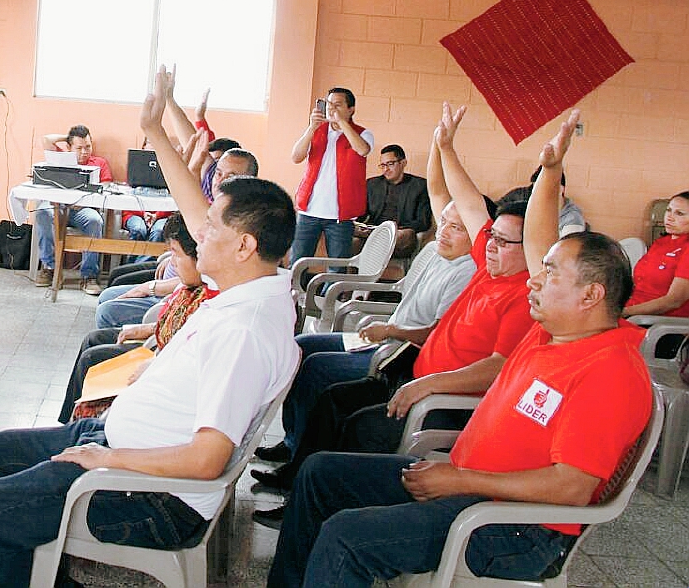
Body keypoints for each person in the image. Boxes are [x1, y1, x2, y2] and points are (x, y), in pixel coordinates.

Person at [267, 110, 653, 588]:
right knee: (320, 473)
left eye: (551, 273)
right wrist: (549, 174)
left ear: (591, 296)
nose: (537, 278)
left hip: (514, 526)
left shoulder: (611, 370)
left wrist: (461, 480)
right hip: (471, 483)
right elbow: (535, 238)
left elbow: (572, 486)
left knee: (347, 536)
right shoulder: (552, 331)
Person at [0, 67, 299, 588]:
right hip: (123, 442)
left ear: (244, 246)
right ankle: (41, 557)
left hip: (148, 494)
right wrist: (155, 131)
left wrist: (104, 459)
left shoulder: (244, 331)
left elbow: (207, 460)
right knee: (0, 449)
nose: (197, 231)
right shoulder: (259, 282)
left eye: (211, 228)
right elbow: (194, 205)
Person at [250, 104, 534, 512]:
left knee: (347, 420)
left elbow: (497, 364)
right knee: (330, 397)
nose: (490, 243)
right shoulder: (486, 265)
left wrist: (423, 378)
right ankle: (302, 483)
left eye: (504, 241)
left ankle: (317, 502)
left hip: (428, 388)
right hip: (406, 371)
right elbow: (444, 195)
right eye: (491, 236)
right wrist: (444, 146)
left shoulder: (518, 291)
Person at [251, 200, 477, 484]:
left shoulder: (466, 272)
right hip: (384, 337)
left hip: (397, 352)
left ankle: (301, 467)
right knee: (302, 347)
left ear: (478, 233)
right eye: (443, 222)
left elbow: (437, 334)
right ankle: (293, 443)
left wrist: (392, 330)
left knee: (316, 369)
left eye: (455, 227)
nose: (442, 231)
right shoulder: (441, 255)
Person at [57, 213, 215, 423]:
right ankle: (67, 421)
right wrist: (147, 328)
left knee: (91, 357)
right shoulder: (187, 286)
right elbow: (172, 323)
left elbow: (182, 345)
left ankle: (80, 423)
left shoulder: (207, 298)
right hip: (157, 341)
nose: (173, 264)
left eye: (176, 255)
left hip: (161, 360)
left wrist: (152, 360)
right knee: (92, 339)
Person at [92, 147, 259, 329]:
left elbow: (197, 279)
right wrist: (172, 257)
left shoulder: (231, 228)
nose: (220, 181)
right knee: (113, 285)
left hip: (175, 292)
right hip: (171, 278)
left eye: (231, 176)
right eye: (218, 173)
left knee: (106, 312)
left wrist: (151, 287)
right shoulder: (214, 206)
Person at [290, 88, 373, 263]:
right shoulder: (317, 130)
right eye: (329, 104)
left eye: (337, 105)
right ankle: (296, 291)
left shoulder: (362, 133)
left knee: (337, 266)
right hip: (309, 211)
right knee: (297, 262)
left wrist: (342, 123)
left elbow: (363, 150)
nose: (331, 109)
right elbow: (296, 157)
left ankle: (332, 292)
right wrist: (311, 127)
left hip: (340, 216)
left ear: (351, 109)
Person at [34, 125, 114, 295]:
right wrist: (68, 137)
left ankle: (89, 275)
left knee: (95, 221)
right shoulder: (62, 158)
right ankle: (50, 268)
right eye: (79, 147)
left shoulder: (99, 163)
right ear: (69, 147)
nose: (85, 152)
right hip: (57, 206)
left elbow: (106, 185)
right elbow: (46, 140)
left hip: (82, 210)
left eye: (88, 146)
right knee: (42, 213)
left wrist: (85, 200)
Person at [622, 190, 689, 319]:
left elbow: (674, 301)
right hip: (633, 312)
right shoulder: (661, 243)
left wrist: (623, 312)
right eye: (668, 210)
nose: (669, 217)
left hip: (658, 322)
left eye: (679, 213)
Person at [358, 144, 432, 258]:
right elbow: (362, 214)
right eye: (382, 165)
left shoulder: (419, 186)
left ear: (403, 163)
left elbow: (423, 222)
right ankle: (353, 274)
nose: (386, 169)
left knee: (405, 235)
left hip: (400, 232)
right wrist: (357, 225)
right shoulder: (372, 184)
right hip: (375, 230)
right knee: (346, 233)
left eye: (390, 164)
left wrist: (397, 228)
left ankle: (372, 255)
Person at [499, 166, 587, 236]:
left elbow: (565, 255)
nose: (537, 195)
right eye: (534, 190)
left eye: (543, 190)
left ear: (560, 189)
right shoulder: (529, 201)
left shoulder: (572, 220)